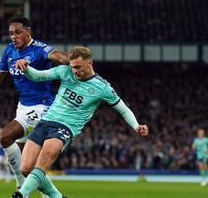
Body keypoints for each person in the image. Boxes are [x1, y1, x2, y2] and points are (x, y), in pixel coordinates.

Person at [12, 46, 149, 198]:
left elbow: (123, 109)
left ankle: (21, 194)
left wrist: (136, 126)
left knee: (43, 161)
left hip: (65, 128)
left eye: (78, 67)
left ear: (89, 62)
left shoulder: (102, 88)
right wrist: (25, 68)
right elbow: (37, 76)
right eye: (72, 67)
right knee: (25, 168)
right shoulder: (65, 71)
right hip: (46, 121)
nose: (75, 70)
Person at [0, 17, 68, 194]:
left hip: (42, 107)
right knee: (28, 164)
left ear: (28, 32)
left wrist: (74, 60)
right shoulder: (9, 51)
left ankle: (19, 184)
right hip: (23, 107)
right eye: (11, 33)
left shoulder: (39, 49)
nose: (13, 36)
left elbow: (58, 56)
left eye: (18, 32)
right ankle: (51, 195)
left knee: (5, 136)